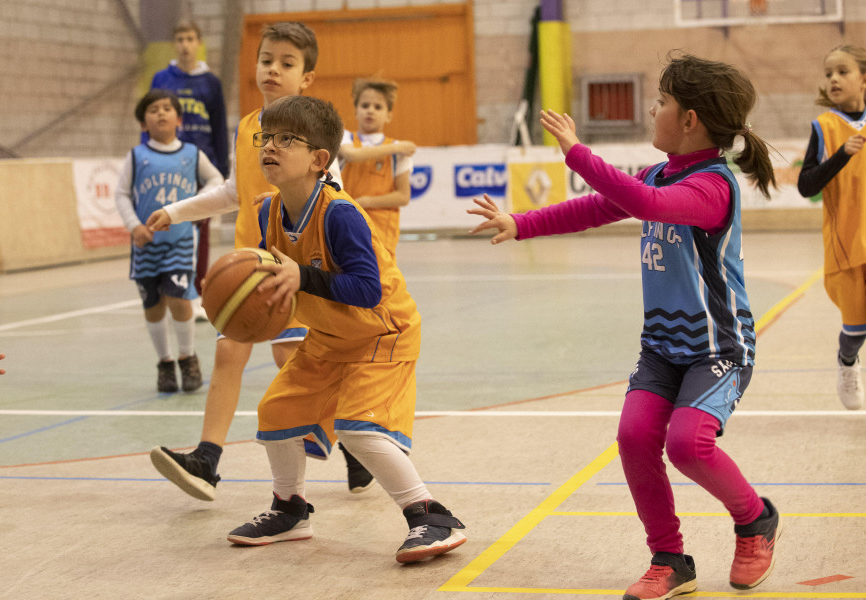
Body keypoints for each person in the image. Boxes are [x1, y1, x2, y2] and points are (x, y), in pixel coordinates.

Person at [468, 52, 781, 599]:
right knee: (634, 437)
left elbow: (648, 204)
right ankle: (668, 558)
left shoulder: (713, 186)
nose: (651, 109)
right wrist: (520, 223)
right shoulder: (660, 170)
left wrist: (577, 153)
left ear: (690, 120)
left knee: (688, 445)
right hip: (663, 347)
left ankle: (755, 520)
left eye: (661, 102)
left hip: (718, 348)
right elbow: (597, 208)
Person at [223, 94, 466, 564]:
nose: (270, 146)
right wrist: (246, 303)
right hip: (330, 336)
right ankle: (290, 508)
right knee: (275, 411)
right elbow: (270, 279)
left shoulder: (340, 213)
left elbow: (367, 289)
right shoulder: (266, 213)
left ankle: (429, 515)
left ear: (318, 159)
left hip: (383, 333)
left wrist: (303, 276)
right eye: (266, 137)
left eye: (286, 139)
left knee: (358, 429)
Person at [146, 22, 373, 501]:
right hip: (251, 268)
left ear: (307, 78)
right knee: (230, 351)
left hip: (294, 268)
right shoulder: (249, 127)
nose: (273, 69)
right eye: (267, 59)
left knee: (293, 361)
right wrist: (177, 211)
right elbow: (233, 191)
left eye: (287, 63)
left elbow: (332, 197)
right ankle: (207, 460)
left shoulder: (318, 132)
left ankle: (347, 451)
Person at [114, 89, 223, 393]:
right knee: (153, 304)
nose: (161, 113)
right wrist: (134, 225)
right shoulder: (137, 157)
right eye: (153, 110)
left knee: (178, 297)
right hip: (145, 243)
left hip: (180, 240)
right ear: (143, 123)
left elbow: (216, 180)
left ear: (179, 118)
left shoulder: (191, 153)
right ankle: (165, 362)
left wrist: (197, 205)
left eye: (166, 108)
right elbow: (121, 194)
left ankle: (187, 357)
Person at [797, 45, 866, 411]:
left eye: (842, 71)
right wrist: (842, 155)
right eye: (828, 74)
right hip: (846, 243)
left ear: (863, 79)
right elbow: (806, 186)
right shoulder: (824, 127)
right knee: (856, 329)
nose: (834, 79)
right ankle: (847, 362)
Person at [147, 20, 230, 322]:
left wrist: (223, 167)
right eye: (179, 39)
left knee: (199, 230)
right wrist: (147, 155)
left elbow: (219, 126)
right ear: (175, 44)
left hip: (202, 164)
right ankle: (167, 289)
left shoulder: (210, 82)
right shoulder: (162, 78)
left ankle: (197, 292)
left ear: (198, 43)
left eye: (190, 39)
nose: (184, 44)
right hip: (169, 164)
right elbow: (150, 118)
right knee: (167, 225)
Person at [338, 77, 416, 260]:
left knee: (382, 284)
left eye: (378, 107)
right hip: (346, 226)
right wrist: (395, 148)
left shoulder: (399, 153)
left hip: (382, 234)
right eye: (365, 105)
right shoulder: (345, 138)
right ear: (356, 111)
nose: (370, 110)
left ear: (389, 115)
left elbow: (403, 196)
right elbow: (353, 155)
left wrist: (366, 202)